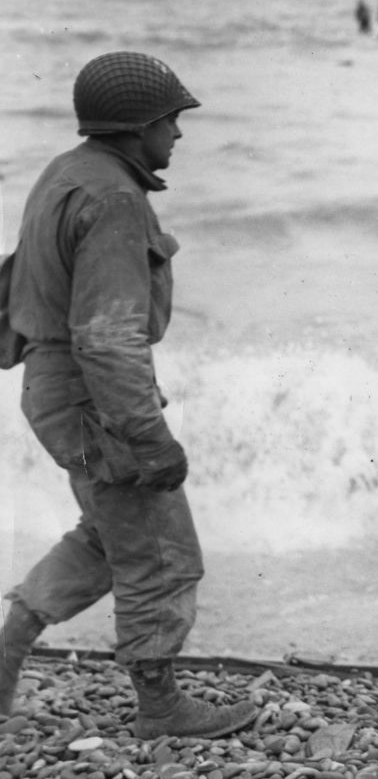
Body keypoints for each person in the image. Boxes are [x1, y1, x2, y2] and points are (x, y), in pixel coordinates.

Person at [0, 52, 258, 738]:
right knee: (160, 551)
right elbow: (109, 338)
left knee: (111, 535)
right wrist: (150, 438)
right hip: (92, 394)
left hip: (56, 385)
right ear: (136, 125)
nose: (178, 133)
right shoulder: (112, 197)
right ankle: (160, 705)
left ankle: (10, 643)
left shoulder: (68, 170)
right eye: (171, 119)